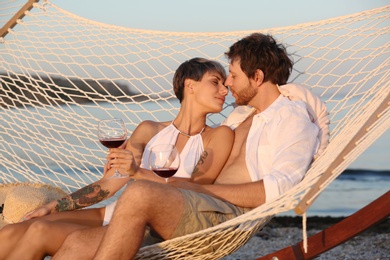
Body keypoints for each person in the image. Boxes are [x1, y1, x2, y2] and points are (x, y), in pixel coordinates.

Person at [50, 32, 321, 259]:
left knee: (140, 193)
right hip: (196, 205)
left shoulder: (291, 116)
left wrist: (198, 187)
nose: (227, 84)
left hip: (222, 219)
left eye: (233, 76)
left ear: (258, 77)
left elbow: (281, 188)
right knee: (75, 243)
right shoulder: (245, 116)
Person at [0, 57, 234, 259]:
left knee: (39, 232)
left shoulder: (219, 136)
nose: (225, 90)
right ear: (190, 86)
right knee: (15, 230)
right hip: (110, 213)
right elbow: (109, 184)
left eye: (225, 84)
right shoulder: (149, 129)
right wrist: (54, 206)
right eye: (216, 82)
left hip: (146, 225)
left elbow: (195, 192)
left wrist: (137, 172)